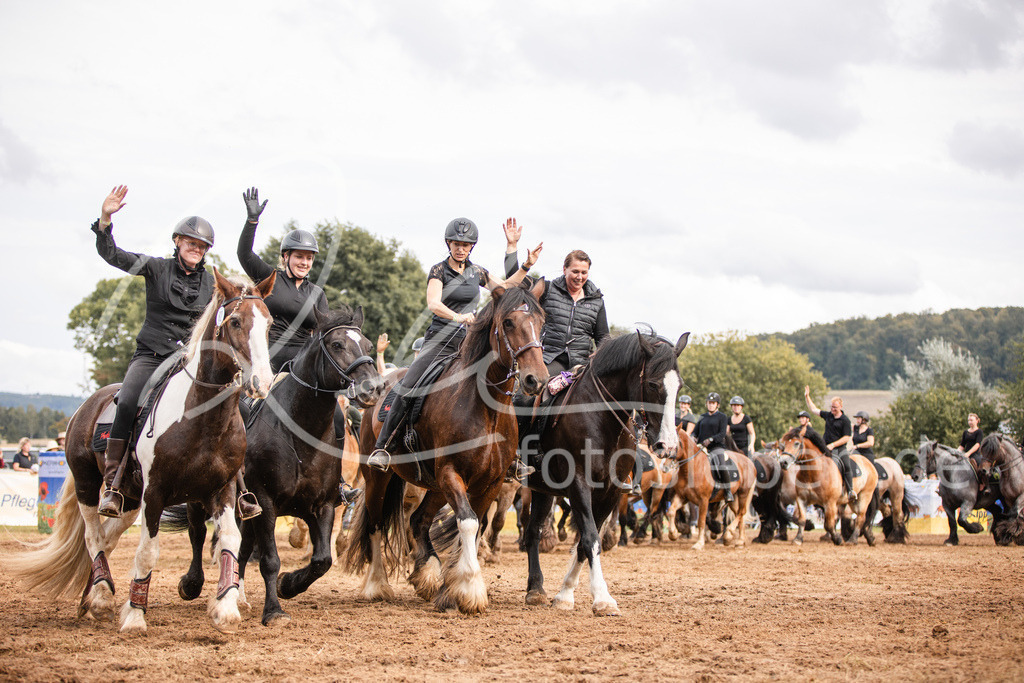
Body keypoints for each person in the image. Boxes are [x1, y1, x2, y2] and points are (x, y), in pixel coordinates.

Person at [367, 217, 542, 471]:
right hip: (439, 341)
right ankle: (383, 446)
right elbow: (433, 303)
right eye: (456, 243)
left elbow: (505, 287)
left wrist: (525, 265)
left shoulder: (476, 272)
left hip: (468, 343)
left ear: (472, 247)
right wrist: (458, 316)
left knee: (502, 386)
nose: (461, 248)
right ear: (448, 244)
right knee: (409, 383)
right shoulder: (439, 270)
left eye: (466, 244)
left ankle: (510, 457)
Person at [93, 185, 216, 518]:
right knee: (129, 400)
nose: (196, 249)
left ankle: (238, 486)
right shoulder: (156, 268)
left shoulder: (211, 285)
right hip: (151, 356)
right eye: (191, 242)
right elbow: (113, 255)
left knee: (229, 405)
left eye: (202, 246)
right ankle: (114, 482)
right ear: (178, 241)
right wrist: (105, 219)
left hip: (187, 362)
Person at [236, 187, 328, 373]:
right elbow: (244, 254)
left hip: (303, 366)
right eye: (299, 257)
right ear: (286, 257)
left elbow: (325, 334)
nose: (304, 262)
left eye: (309, 258)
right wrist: (252, 221)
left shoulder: (317, 293)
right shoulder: (270, 278)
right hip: (267, 359)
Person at [504, 226, 609, 375]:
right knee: (524, 398)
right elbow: (515, 279)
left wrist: (600, 354)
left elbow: (603, 338)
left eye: (584, 272)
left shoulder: (597, 301)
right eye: (575, 271)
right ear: (564, 269)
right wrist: (512, 246)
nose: (579, 277)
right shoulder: (547, 289)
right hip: (551, 360)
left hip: (583, 365)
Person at [804, 386, 855, 503]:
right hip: (825, 448)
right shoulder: (828, 416)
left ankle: (850, 490)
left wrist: (833, 444)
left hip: (839, 449)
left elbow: (847, 437)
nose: (832, 409)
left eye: (835, 407)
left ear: (841, 407)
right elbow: (813, 409)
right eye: (831, 407)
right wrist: (807, 396)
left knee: (846, 466)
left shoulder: (845, 421)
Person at [694, 393, 733, 502]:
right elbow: (695, 432)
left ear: (717, 405)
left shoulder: (722, 417)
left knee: (721, 465)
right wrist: (693, 437)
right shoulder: (702, 417)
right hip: (702, 447)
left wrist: (711, 439)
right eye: (709, 403)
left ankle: (727, 491)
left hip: (716, 447)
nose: (711, 405)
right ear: (706, 404)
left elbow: (722, 434)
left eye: (713, 403)